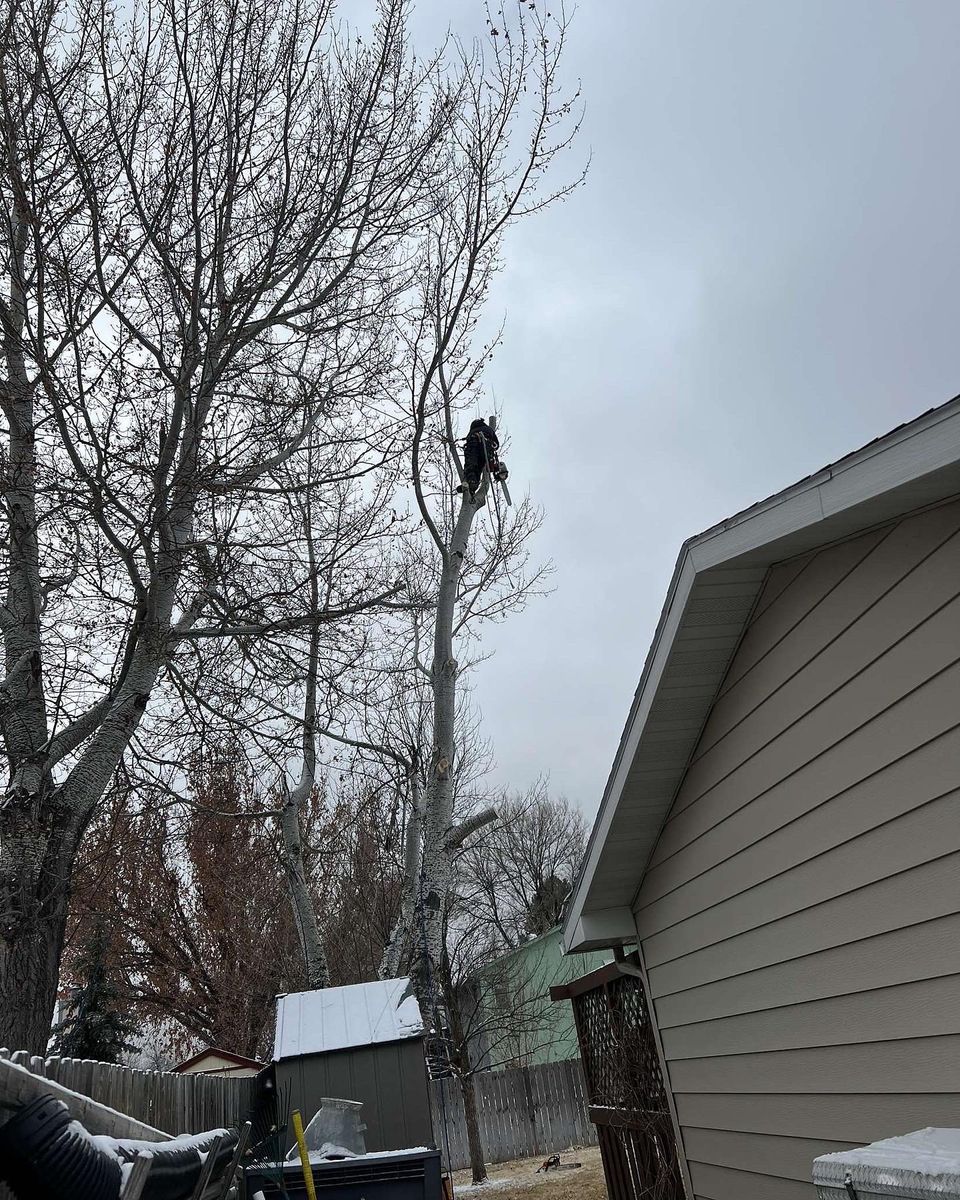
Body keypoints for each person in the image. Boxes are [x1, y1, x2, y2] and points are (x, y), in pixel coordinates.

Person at [458, 417, 505, 498]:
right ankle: (497, 472)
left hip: (473, 445)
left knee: (472, 465)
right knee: (484, 462)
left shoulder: (471, 432)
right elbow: (496, 444)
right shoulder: (489, 429)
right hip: (486, 446)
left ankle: (472, 482)